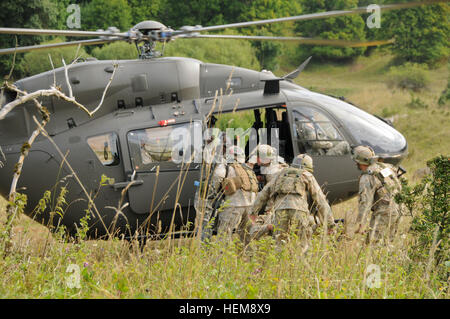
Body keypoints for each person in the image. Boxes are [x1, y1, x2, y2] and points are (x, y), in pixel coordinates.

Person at [250, 154, 335, 252]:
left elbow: (263, 194)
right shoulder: (306, 175)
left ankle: (280, 265)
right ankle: (300, 264)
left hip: (280, 212)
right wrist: (330, 224)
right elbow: (321, 201)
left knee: (280, 244)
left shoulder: (280, 174)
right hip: (299, 211)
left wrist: (253, 212)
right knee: (302, 245)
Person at [352, 145, 403, 244]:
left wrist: (361, 223)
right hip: (398, 208)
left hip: (384, 212)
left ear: (360, 162)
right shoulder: (386, 166)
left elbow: (365, 202)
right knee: (387, 244)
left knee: (372, 245)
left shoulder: (367, 177)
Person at [212, 145, 259, 241]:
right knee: (246, 234)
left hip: (233, 206)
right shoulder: (248, 168)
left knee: (224, 234)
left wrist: (215, 191)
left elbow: (217, 177)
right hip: (250, 205)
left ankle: (221, 255)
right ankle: (248, 254)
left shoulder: (226, 167)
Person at [244, 144, 288, 242]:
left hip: (276, 205)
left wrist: (268, 209)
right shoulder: (277, 163)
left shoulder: (273, 172)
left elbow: (270, 193)